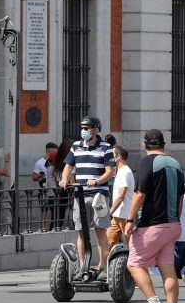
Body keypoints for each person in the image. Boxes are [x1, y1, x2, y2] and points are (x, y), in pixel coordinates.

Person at [123, 129, 185, 303]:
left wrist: (130, 220)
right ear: (164, 144)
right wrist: (175, 219)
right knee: (168, 268)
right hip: (173, 225)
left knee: (134, 264)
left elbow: (139, 194)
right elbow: (181, 197)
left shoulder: (146, 163)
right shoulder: (176, 164)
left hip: (152, 225)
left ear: (145, 144)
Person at [58, 116, 114, 281]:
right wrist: (64, 179)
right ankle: (83, 266)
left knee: (100, 231)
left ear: (96, 129)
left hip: (98, 195)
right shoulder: (76, 146)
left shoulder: (106, 148)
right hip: (80, 194)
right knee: (81, 232)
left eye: (87, 128)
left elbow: (110, 172)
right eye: (83, 128)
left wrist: (97, 181)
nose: (84, 131)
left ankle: (103, 266)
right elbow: (68, 167)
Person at [106, 145, 134, 251]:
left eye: (112, 155)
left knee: (132, 245)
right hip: (118, 216)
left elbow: (121, 196)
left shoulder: (125, 172)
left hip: (124, 215)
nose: (110, 158)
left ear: (118, 157)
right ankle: (104, 266)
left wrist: (110, 212)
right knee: (107, 243)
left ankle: (135, 266)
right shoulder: (120, 171)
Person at [48, 138, 74, 230]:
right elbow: (51, 181)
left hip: (66, 192)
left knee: (68, 217)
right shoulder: (55, 167)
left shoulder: (68, 166)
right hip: (59, 194)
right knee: (58, 217)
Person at [33, 142, 59, 232]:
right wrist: (41, 175)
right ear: (49, 150)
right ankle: (42, 228)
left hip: (53, 191)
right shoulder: (39, 163)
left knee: (53, 210)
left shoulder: (55, 162)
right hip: (43, 190)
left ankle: (52, 227)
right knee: (44, 210)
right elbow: (34, 177)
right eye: (55, 151)